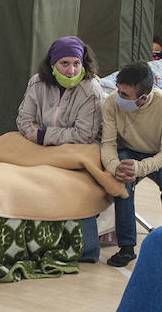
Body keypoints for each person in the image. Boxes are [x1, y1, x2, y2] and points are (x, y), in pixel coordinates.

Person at [16, 36, 104, 262]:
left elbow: (84, 135)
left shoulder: (91, 90)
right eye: (64, 63)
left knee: (77, 185)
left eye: (76, 63)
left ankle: (84, 248)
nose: (71, 70)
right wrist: (41, 137)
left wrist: (43, 135)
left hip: (80, 149)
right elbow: (24, 121)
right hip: (39, 146)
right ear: (52, 64)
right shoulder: (37, 83)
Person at [101, 60, 162, 267]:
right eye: (118, 90)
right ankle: (126, 248)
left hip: (158, 154)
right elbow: (108, 144)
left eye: (125, 94)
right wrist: (115, 167)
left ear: (143, 97)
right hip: (127, 151)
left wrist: (140, 168)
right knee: (123, 186)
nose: (118, 97)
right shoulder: (111, 103)